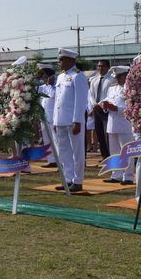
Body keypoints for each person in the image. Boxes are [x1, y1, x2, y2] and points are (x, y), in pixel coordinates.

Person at [53, 48, 88, 192]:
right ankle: (68, 179)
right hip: (61, 119)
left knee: (77, 152)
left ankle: (78, 181)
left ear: (70, 60)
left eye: (62, 59)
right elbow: (57, 100)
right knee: (64, 151)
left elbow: (81, 100)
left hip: (73, 120)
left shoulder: (78, 76)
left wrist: (77, 121)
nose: (59, 62)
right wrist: (55, 120)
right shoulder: (61, 77)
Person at [101, 66, 135, 185]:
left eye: (119, 77)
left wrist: (117, 108)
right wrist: (105, 106)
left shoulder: (131, 89)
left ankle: (128, 176)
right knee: (114, 151)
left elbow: (131, 107)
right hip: (112, 123)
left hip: (124, 124)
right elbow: (106, 100)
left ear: (126, 76)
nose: (117, 79)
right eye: (116, 77)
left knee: (127, 152)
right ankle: (116, 174)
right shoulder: (112, 88)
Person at [89, 59, 115, 159]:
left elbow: (110, 95)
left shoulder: (112, 79)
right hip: (96, 109)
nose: (100, 68)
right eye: (99, 66)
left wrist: (100, 104)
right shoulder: (94, 80)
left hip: (106, 109)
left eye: (103, 66)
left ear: (108, 68)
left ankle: (110, 156)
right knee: (99, 133)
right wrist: (94, 104)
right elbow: (91, 94)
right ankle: (104, 157)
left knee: (107, 134)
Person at [37, 65, 57, 167]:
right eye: (43, 78)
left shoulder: (55, 87)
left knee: (56, 140)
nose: (44, 80)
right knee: (47, 139)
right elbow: (35, 89)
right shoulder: (44, 87)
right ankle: (51, 160)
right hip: (44, 118)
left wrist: (50, 85)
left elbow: (53, 95)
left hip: (54, 118)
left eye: (45, 77)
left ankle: (59, 160)